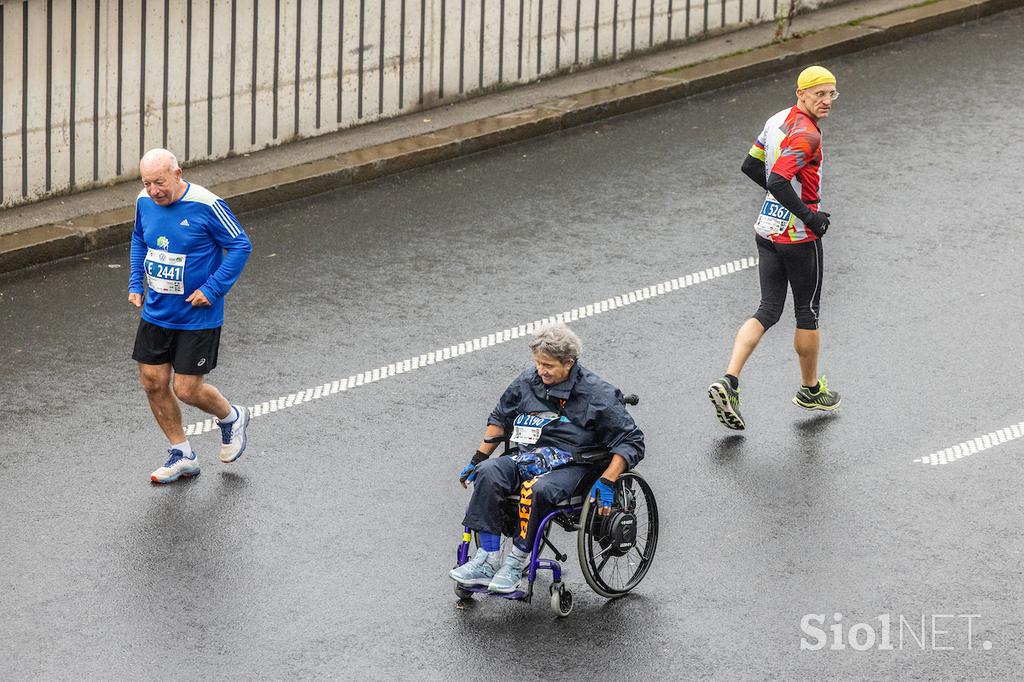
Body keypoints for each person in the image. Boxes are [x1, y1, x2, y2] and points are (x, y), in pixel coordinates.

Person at [450, 323, 645, 594]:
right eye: (538, 363)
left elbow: (631, 440)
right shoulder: (528, 381)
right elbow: (499, 419)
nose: (541, 371)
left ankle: (515, 563)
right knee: (488, 473)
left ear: (569, 363)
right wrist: (476, 460)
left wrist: (607, 481)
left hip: (574, 463)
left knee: (537, 488)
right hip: (528, 455)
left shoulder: (597, 394)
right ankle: (488, 559)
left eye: (548, 366)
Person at [708, 65, 843, 431]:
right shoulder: (807, 136)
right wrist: (809, 217)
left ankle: (729, 380)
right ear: (801, 93)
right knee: (807, 312)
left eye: (832, 93)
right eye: (819, 94)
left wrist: (776, 196)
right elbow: (781, 180)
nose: (827, 100)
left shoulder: (777, 119)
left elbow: (752, 165)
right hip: (798, 237)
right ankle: (810, 389)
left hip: (766, 230)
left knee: (767, 309)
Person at [128, 148, 253, 483]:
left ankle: (231, 416)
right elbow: (140, 238)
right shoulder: (144, 201)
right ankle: (182, 453)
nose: (153, 190)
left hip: (198, 315)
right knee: (153, 383)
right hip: (157, 310)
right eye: (147, 182)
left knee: (185, 388)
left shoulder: (207, 205)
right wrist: (135, 282)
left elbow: (241, 245)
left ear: (178, 174)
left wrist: (212, 289)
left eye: (159, 182)